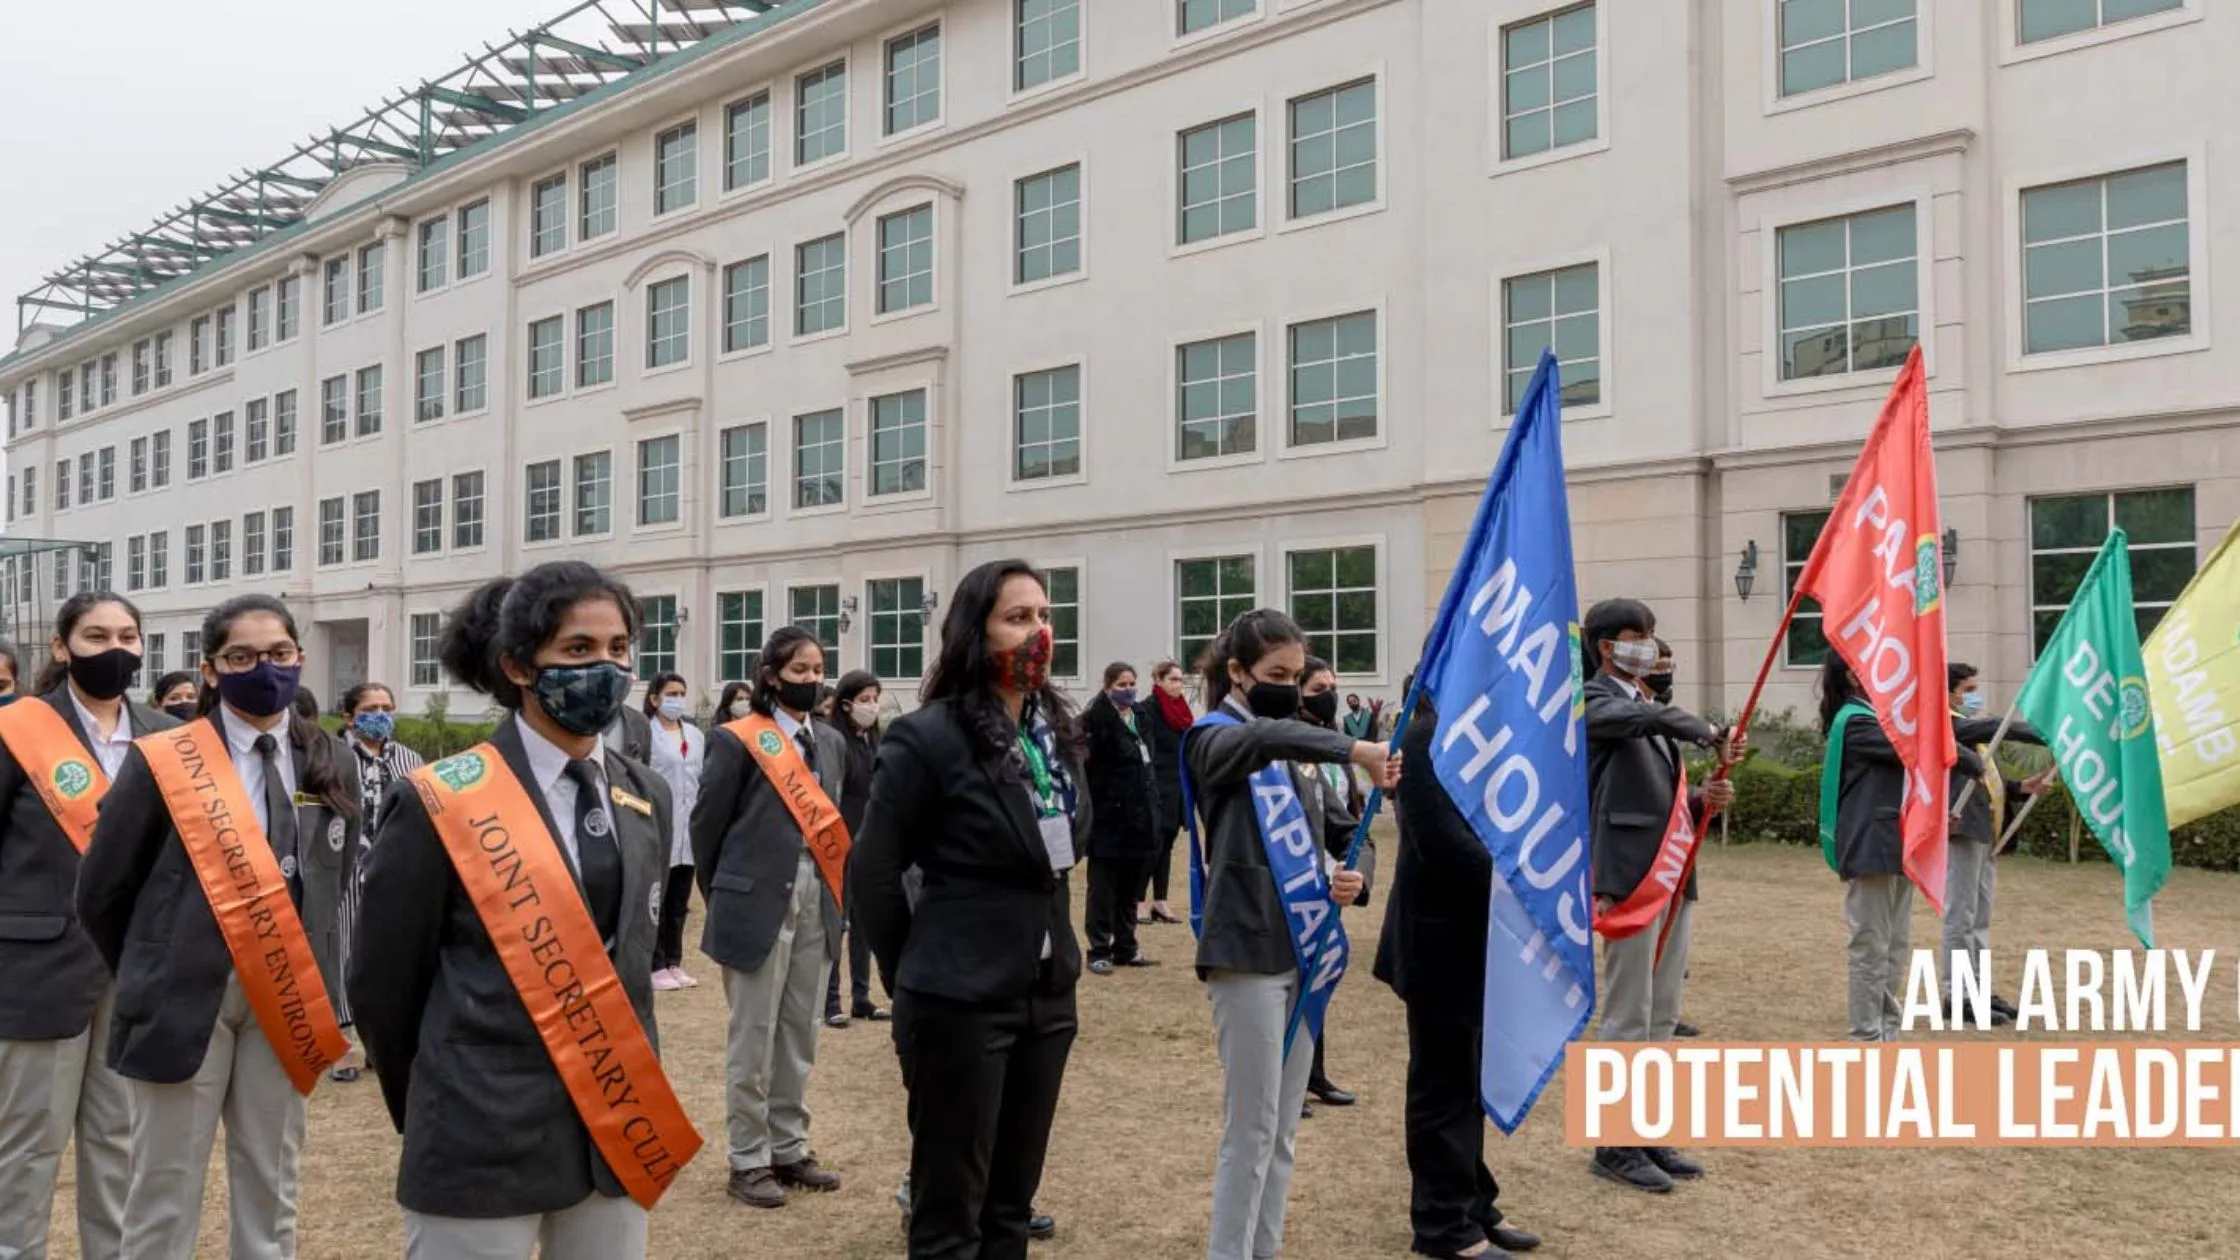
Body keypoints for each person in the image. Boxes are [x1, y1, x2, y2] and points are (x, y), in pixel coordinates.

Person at [350, 562, 688, 1259]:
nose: (606, 667)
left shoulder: (644, 791)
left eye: (618, 649)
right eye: (577, 650)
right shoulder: (440, 800)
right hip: (478, 1132)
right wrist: (437, 1103)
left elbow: (630, 960)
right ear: (518, 666)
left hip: (613, 1127)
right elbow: (385, 985)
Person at [78, 594, 357, 1259]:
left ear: (300, 657)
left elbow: (333, 879)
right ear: (210, 671)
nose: (265, 668)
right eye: (242, 656)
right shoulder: (164, 758)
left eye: (280, 654)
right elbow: (102, 890)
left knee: (272, 1183)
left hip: (285, 997)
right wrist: (152, 963)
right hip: (182, 998)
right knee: (162, 1190)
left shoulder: (332, 758)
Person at [854, 560, 1085, 1260]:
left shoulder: (1056, 734)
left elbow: (1059, 856)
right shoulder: (927, 737)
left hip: (1046, 994)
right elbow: (873, 871)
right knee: (952, 1216)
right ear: (972, 634)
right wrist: (913, 974)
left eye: (1045, 616)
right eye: (1019, 619)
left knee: (1011, 1209)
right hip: (957, 997)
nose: (1039, 632)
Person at [1185, 609, 1395, 1260]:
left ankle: (1264, 1248)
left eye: (1299, 675)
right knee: (1249, 1128)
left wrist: (1354, 875)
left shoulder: (1301, 755)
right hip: (1247, 951)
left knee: (1281, 1132)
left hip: (1305, 951)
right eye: (1277, 675)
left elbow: (1349, 834)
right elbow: (1261, 740)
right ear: (1238, 673)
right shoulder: (1213, 738)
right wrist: (1353, 748)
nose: (1293, 686)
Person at [0, 593, 168, 1260]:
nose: (115, 648)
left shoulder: (165, 734)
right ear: (62, 648)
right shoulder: (17, 727)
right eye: (96, 636)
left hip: (134, 970)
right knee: (26, 1143)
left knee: (120, 1140)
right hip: (37, 967)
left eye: (127, 635)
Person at [1377, 680, 1542, 1260]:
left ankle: (1473, 1202)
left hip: (1480, 940)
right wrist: (1525, 888)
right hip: (1437, 942)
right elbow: (1442, 845)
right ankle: (1442, 1227)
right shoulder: (1425, 738)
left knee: (1469, 1080)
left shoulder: (1485, 739)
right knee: (1442, 1084)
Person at [1582, 598, 1739, 1194]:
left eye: (1651, 635)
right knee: (1628, 1012)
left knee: (1663, 1012)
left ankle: (1646, 1130)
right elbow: (1646, 727)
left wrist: (1701, 800)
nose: (1647, 645)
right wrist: (1705, 730)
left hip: (1672, 871)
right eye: (1635, 636)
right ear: (1605, 646)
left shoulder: (1646, 706)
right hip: (1626, 874)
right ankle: (1614, 1143)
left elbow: (1655, 796)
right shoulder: (1596, 701)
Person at [693, 627, 848, 1209]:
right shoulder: (736, 740)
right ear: (770, 675)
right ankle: (748, 1158)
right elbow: (707, 827)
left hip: (818, 893)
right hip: (754, 897)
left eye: (818, 669)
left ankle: (789, 1146)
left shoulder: (830, 742)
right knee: (752, 1036)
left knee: (800, 1030)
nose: (811, 680)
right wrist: (725, 892)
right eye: (800, 670)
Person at [1820, 655, 1982, 1047]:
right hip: (1872, 845)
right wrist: (1965, 756)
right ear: (1853, 675)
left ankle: (1887, 1030)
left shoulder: (1878, 716)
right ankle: (1866, 1035)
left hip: (1900, 843)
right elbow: (1912, 749)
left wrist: (1936, 819)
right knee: (1870, 945)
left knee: (1895, 945)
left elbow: (1904, 782)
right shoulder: (1856, 721)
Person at [1943, 664, 2050, 1027]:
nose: (1976, 695)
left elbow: (1989, 780)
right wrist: (2048, 733)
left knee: (1980, 918)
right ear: (1949, 694)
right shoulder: (1948, 724)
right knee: (1961, 916)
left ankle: (1979, 990)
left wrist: (2022, 788)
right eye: (1969, 688)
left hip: (1986, 833)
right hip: (1963, 832)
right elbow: (1991, 727)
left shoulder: (1973, 732)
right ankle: (1956, 995)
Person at [1296, 657, 1368, 1113]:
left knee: (1319, 977)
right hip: (1300, 876)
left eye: (1334, 686)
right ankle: (1294, 1073)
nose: (1330, 693)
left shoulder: (1338, 742)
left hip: (1332, 875)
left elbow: (1347, 815)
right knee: (1297, 979)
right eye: (1320, 686)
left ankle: (1313, 1071)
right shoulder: (1292, 747)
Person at [1082, 662, 1160, 975]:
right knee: (1103, 888)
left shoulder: (1141, 717)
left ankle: (1126, 947)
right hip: (1108, 819)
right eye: (1122, 684)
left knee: (1131, 887)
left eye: (1132, 683)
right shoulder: (1094, 721)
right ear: (1107, 686)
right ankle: (1099, 949)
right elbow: (1089, 769)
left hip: (1141, 817)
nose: (1128, 689)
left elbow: (1149, 761)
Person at [825, 671, 889, 1028]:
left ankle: (861, 996)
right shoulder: (836, 742)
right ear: (846, 703)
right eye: (864, 699)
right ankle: (831, 998)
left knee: (865, 923)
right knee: (839, 921)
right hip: (840, 841)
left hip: (869, 841)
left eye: (874, 698)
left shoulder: (875, 741)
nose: (871, 706)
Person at [644, 672, 705, 993]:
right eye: (671, 693)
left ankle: (674, 962)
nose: (677, 699)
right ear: (654, 699)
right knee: (658, 899)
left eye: (682, 693)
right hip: (658, 826)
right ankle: (654, 964)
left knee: (679, 901)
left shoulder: (695, 735)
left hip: (688, 829)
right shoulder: (646, 734)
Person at [1135, 660, 1191, 927]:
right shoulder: (1147, 710)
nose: (1178, 685)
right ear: (1158, 680)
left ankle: (1160, 899)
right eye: (1172, 679)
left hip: (1177, 785)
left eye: (1180, 680)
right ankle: (1139, 901)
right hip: (1156, 785)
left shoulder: (1182, 711)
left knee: (1167, 844)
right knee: (1152, 844)